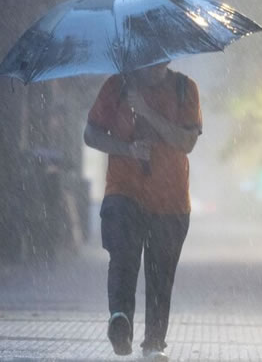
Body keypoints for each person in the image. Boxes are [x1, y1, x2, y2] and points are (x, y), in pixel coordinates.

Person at [84, 61, 202, 361]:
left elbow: (187, 141)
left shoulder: (184, 88)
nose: (155, 63)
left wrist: (147, 111)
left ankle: (153, 342)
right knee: (123, 256)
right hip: (124, 191)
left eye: (161, 56)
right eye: (148, 55)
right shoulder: (117, 86)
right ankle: (120, 319)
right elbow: (91, 134)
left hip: (171, 199)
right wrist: (128, 149)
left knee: (160, 274)